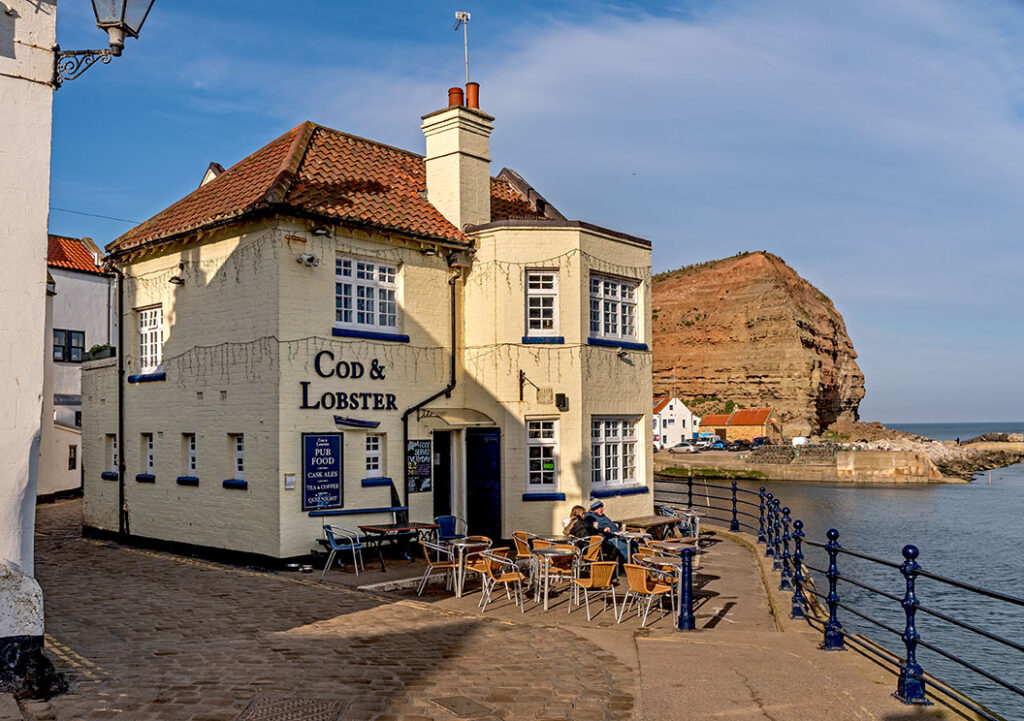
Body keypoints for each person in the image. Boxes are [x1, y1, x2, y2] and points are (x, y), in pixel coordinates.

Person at [584, 501, 629, 566]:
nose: (603, 509)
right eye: (600, 508)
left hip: (618, 535)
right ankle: (622, 566)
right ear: (595, 508)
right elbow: (595, 530)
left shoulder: (602, 515)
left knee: (634, 544)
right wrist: (605, 531)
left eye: (602, 507)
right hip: (608, 538)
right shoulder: (592, 518)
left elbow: (610, 523)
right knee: (625, 546)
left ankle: (635, 565)